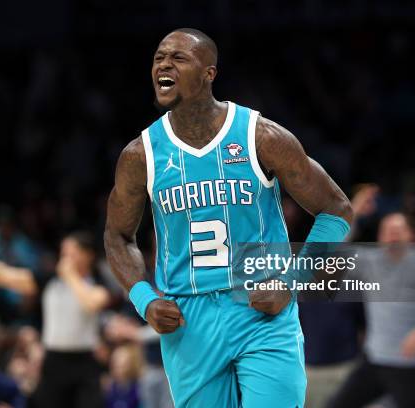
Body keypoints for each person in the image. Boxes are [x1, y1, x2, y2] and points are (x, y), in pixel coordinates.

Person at [104, 28, 353, 408]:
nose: (163, 65)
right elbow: (117, 236)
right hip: (189, 320)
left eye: (178, 58)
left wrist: (292, 281)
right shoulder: (141, 155)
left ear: (209, 74)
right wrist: (144, 299)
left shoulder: (260, 136)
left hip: (261, 309)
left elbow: (336, 210)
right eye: (158, 58)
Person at [0, 231, 110, 407]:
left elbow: (92, 303)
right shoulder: (49, 281)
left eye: (72, 253)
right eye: (64, 253)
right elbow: (4, 276)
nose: (65, 260)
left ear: (88, 255)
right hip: (54, 361)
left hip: (84, 362)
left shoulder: (98, 283)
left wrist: (71, 276)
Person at [327, 213, 415, 408]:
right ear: (379, 237)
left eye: (397, 231)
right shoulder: (369, 261)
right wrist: (352, 217)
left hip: (411, 364)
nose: (392, 237)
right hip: (375, 359)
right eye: (387, 232)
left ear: (410, 235)